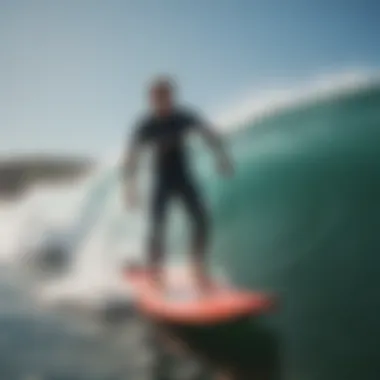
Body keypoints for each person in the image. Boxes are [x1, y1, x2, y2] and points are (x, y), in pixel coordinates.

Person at [122, 76, 234, 293]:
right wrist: (129, 188)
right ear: (151, 99)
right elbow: (132, 158)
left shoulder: (183, 116)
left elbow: (208, 133)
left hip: (183, 177)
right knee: (157, 227)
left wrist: (222, 158)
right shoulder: (146, 125)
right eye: (157, 96)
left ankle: (197, 265)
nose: (162, 100)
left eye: (166, 95)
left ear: (172, 96)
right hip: (162, 180)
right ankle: (155, 271)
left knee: (202, 219)